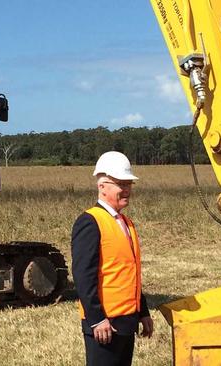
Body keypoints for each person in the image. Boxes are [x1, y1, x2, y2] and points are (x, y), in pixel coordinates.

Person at [71, 151, 154, 366]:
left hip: (126, 322)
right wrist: (97, 319)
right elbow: (83, 277)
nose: (126, 189)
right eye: (120, 184)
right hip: (105, 325)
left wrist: (142, 312)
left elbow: (129, 273)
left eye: (128, 184)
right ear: (102, 186)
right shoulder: (90, 222)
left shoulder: (126, 222)